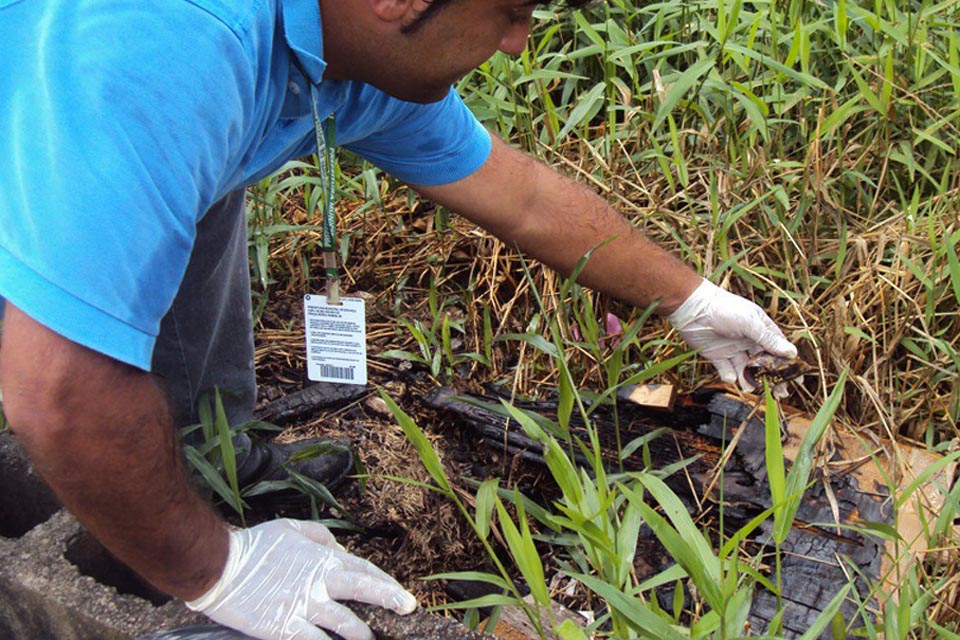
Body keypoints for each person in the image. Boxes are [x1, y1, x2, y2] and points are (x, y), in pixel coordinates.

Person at [0, 0, 798, 638]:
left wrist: (689, 297)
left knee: (199, 194)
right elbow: (59, 393)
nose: (520, 43)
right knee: (65, 330)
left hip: (91, 137)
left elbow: (519, 196)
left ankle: (209, 455)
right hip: (37, 144)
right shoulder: (175, 48)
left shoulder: (352, 57)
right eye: (513, 12)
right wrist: (215, 570)